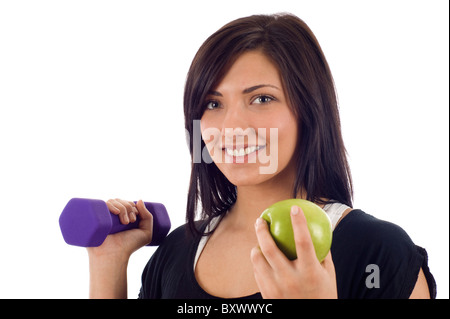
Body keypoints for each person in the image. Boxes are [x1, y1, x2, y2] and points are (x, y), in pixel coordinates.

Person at [88, 13, 436, 299]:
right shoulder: (175, 252)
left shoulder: (378, 253)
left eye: (261, 99)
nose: (232, 125)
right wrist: (109, 263)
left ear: (309, 111)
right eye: (213, 103)